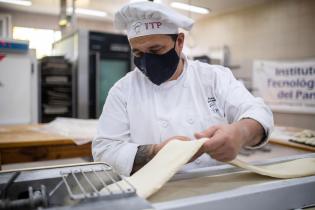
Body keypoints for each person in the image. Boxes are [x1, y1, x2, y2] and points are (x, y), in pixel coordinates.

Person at [92, 1, 274, 176]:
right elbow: (104, 150)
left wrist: (240, 133)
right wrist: (154, 152)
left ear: (179, 42)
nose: (147, 61)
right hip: (151, 193)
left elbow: (258, 111)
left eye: (156, 50)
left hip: (212, 186)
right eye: (138, 53)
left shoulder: (214, 77)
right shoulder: (123, 90)